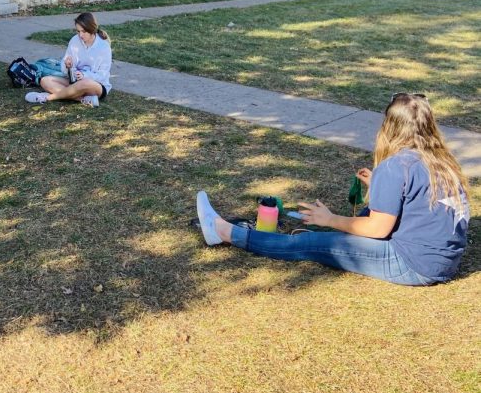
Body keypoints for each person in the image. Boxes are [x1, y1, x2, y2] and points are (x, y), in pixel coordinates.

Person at [195, 93, 470, 286]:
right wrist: (379, 186)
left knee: (304, 245)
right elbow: (417, 205)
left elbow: (378, 230)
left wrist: (329, 220)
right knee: (364, 212)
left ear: (390, 126)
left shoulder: (396, 165)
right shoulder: (442, 161)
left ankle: (221, 231)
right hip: (442, 262)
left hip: (412, 264)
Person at [25, 12, 112, 107]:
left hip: (96, 85)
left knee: (84, 83)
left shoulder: (104, 47)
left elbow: (102, 75)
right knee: (45, 81)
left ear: (92, 30)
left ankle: (48, 97)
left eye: (83, 31)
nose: (80, 35)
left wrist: (84, 75)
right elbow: (65, 67)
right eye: (78, 31)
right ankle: (83, 99)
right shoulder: (75, 40)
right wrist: (67, 65)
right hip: (74, 82)